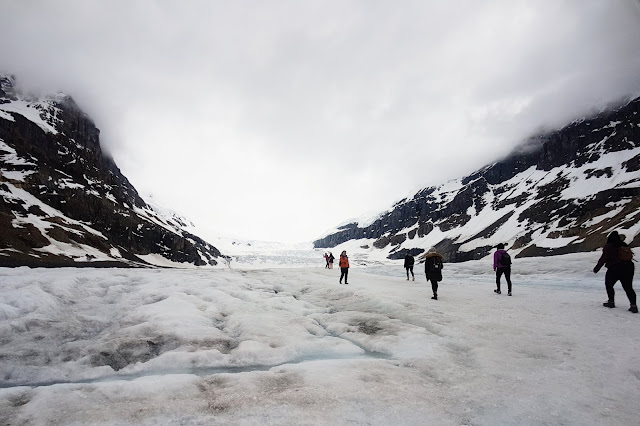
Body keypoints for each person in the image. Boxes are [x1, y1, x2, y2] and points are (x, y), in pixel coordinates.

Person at [593, 231, 637, 313]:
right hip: (628, 267)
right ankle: (633, 305)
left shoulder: (609, 246)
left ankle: (611, 302)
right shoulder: (624, 245)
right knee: (628, 287)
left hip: (614, 268)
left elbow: (604, 258)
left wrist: (597, 268)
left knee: (609, 284)